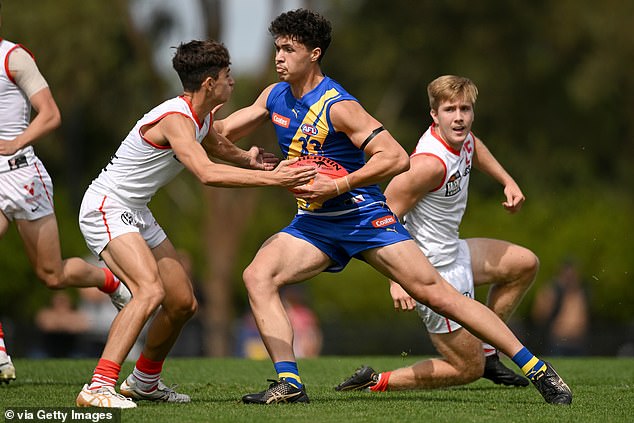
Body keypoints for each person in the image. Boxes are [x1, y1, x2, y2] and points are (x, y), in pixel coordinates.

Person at [214, 8, 572, 405]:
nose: (279, 57)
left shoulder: (338, 105)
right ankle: (289, 383)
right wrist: (200, 134)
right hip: (314, 224)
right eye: (277, 48)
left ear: (314, 54)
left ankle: (538, 368)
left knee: (440, 295)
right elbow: (217, 134)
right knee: (257, 276)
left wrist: (337, 185)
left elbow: (395, 157)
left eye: (288, 49)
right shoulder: (274, 95)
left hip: (363, 217)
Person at [74, 39, 317, 409]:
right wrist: (276, 180)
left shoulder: (199, 116)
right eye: (227, 76)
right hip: (106, 206)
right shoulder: (176, 118)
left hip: (135, 210)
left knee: (183, 303)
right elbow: (205, 172)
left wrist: (250, 160)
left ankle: (144, 381)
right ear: (209, 83)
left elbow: (217, 145)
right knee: (149, 291)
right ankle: (97, 386)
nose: (231, 82)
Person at [335, 75, 538, 393]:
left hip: (454, 251)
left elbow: (475, 147)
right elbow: (382, 214)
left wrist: (506, 180)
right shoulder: (428, 164)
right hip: (431, 271)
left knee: (524, 264)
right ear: (434, 115)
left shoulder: (462, 137)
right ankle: (375, 381)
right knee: (467, 369)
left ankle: (488, 351)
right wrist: (397, 279)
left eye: (465, 109)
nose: (459, 117)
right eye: (450, 110)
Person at [0, 1, 130, 384]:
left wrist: (16, 142)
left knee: (52, 275)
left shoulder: (14, 58)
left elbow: (50, 113)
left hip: (21, 174)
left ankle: (109, 281)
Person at [532, 259, 589, 356]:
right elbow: (539, 314)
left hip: (578, 342)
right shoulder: (554, 290)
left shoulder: (581, 292)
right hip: (558, 341)